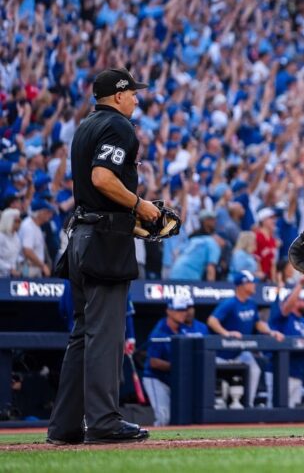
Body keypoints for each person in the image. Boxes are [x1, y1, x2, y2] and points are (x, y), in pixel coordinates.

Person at [47, 68, 160, 445]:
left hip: (80, 236)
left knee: (82, 335)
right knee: (105, 335)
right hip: (103, 239)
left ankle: (64, 427)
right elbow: (102, 177)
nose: (136, 100)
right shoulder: (118, 127)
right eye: (132, 94)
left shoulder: (85, 126)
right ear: (117, 95)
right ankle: (103, 422)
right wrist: (140, 205)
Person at [207, 270, 284, 408]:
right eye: (250, 282)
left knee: (255, 369)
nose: (254, 285)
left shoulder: (251, 303)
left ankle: (247, 404)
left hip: (240, 351)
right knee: (219, 395)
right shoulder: (230, 303)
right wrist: (226, 333)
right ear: (242, 285)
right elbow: (212, 320)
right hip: (222, 354)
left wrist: (271, 332)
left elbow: (257, 323)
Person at [142, 294, 192, 426]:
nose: (183, 313)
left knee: (180, 418)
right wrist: (179, 366)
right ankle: (153, 445)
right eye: (178, 310)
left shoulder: (183, 329)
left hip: (173, 380)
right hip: (155, 378)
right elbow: (154, 362)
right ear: (169, 311)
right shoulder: (160, 331)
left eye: (184, 310)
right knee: (163, 417)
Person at [269, 276, 304, 408]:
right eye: (301, 300)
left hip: (297, 372)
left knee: (292, 413)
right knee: (277, 411)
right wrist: (300, 284)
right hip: (280, 371)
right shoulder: (283, 317)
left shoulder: (303, 321)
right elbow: (287, 307)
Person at [168, 209, 221, 280]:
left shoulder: (194, 239)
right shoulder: (211, 243)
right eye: (212, 219)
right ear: (205, 221)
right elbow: (210, 269)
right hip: (189, 277)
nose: (215, 221)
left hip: (175, 272)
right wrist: (211, 289)